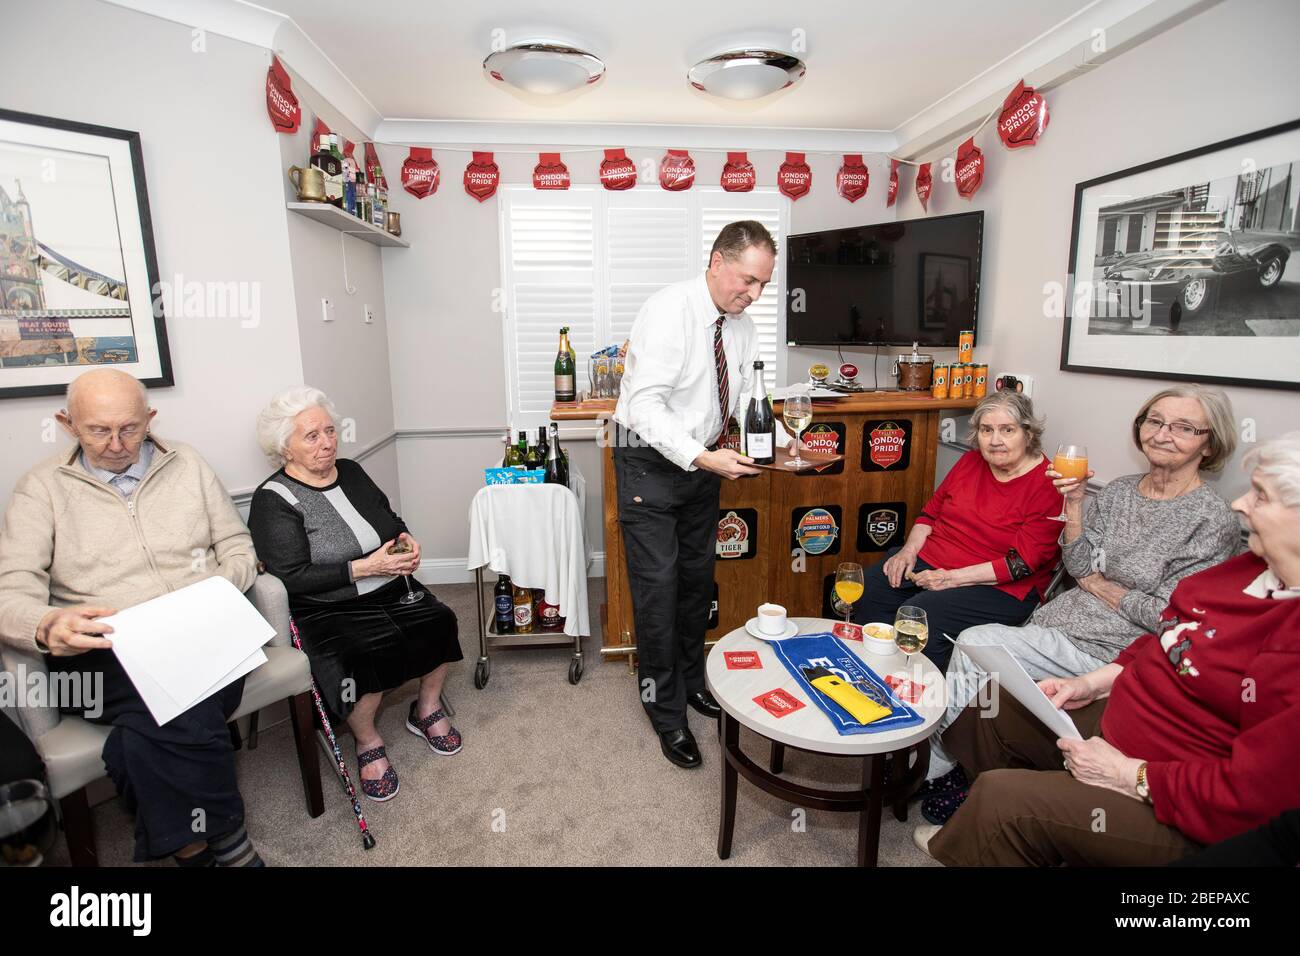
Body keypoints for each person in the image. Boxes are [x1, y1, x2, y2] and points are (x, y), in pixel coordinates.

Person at [914, 431, 1300, 867]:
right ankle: (981, 807)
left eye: (1261, 496)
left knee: (1004, 801)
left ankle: (999, 819)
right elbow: (1166, 634)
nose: (1240, 503)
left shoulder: (1289, 641)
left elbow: (1251, 799)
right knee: (993, 707)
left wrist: (1129, 774)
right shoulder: (1241, 572)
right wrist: (1093, 683)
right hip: (1118, 705)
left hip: (1176, 785)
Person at [917, 385, 1241, 823]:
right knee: (969, 653)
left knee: (976, 643)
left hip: (1108, 648)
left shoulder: (1210, 519)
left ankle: (940, 769)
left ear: (1210, 442)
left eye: (1184, 427)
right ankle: (958, 761)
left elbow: (1169, 617)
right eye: (1155, 421)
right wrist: (1074, 504)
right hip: (1054, 624)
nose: (1164, 434)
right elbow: (1079, 562)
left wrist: (1101, 587)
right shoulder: (1122, 491)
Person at [0, 369, 263, 866]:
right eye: (99, 430)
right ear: (67, 423)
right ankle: (225, 838)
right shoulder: (41, 488)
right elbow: (11, 589)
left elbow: (236, 543)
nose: (118, 444)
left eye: (131, 428)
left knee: (137, 740)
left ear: (151, 418)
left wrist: (222, 589)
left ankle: (194, 850)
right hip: (104, 648)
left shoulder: (187, 463)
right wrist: (46, 625)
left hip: (203, 630)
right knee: (178, 709)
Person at [612, 220, 775, 768]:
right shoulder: (668, 312)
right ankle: (665, 712)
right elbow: (644, 407)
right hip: (649, 463)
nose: (753, 295)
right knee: (657, 592)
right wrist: (704, 456)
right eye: (748, 281)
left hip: (702, 464)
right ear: (716, 261)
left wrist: (781, 440)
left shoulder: (742, 326)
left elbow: (742, 397)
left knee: (695, 583)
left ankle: (688, 682)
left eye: (762, 287)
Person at [248, 386, 462, 802]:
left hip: (387, 586)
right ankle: (367, 741)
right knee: (361, 655)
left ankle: (427, 707)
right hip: (327, 606)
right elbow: (291, 578)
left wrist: (406, 540)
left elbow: (390, 518)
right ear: (284, 448)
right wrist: (366, 567)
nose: (327, 442)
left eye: (329, 430)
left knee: (439, 621)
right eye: (312, 436)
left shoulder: (351, 471)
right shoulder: (273, 500)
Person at [850, 391, 1062, 671]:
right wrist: (908, 551)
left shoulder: (1049, 483)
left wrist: (950, 579)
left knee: (921, 615)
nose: (995, 440)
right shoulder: (971, 461)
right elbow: (929, 514)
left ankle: (922, 696)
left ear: (1028, 433)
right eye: (987, 430)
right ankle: (870, 670)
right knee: (869, 589)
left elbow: (1020, 565)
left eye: (1007, 430)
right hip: (932, 562)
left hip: (999, 586)